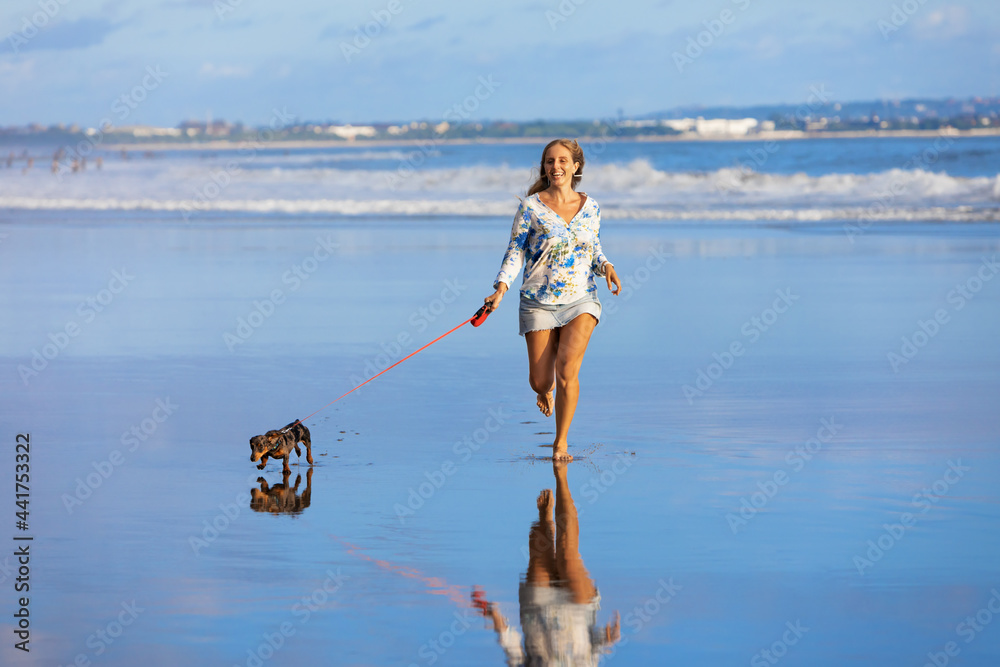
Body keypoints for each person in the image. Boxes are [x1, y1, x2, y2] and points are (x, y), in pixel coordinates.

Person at [483, 139, 620, 460]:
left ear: (576, 167)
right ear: (544, 167)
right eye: (549, 161)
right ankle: (544, 391)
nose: (555, 167)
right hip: (537, 301)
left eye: (562, 161)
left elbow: (592, 248)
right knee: (541, 380)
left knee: (567, 371)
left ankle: (561, 442)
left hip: (581, 299)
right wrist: (500, 288)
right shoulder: (531, 207)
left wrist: (607, 266)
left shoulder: (592, 206)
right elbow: (515, 251)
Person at [472, 460, 621, 665]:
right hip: (577, 616)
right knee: (567, 555)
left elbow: (515, 654)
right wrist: (604, 641)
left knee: (539, 544)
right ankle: (562, 478)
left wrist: (495, 617)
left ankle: (544, 518)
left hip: (537, 613)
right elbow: (590, 658)